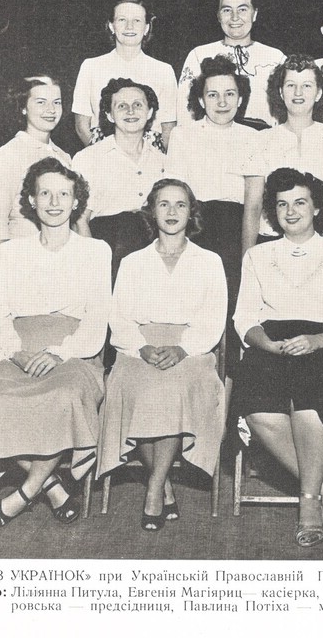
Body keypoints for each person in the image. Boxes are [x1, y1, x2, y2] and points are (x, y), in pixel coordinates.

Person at [0, 158, 111, 527]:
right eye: (44, 192)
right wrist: (15, 352)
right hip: (17, 351)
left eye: (64, 193)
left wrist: (59, 352)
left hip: (75, 351)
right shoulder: (11, 252)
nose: (54, 201)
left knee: (63, 399)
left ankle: (25, 492)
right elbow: (0, 314)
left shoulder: (97, 251)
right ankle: (53, 486)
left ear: (77, 201)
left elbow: (97, 318)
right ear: (31, 200)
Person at [231, 168, 323, 548]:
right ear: (273, 212)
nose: (291, 211)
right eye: (282, 204)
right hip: (270, 344)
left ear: (317, 207)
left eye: (300, 202)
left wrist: (318, 341)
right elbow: (244, 317)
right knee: (258, 409)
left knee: (310, 404)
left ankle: (307, 503)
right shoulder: (257, 255)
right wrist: (265, 344)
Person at [97, 179, 228, 531]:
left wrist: (183, 348)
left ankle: (153, 487)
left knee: (173, 390)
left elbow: (214, 318)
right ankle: (165, 484)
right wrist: (140, 346)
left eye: (180, 205)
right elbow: (119, 316)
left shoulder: (209, 261)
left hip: (191, 350)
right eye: (164, 204)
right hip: (138, 346)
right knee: (132, 388)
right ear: (152, 211)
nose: (172, 212)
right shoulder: (132, 262)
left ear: (192, 212)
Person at [165, 55, 265, 368]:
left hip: (239, 230)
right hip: (195, 228)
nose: (222, 102)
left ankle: (231, 405)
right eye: (212, 95)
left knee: (236, 309)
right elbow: (176, 194)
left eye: (230, 94)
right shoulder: (183, 135)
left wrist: (248, 255)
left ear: (241, 98)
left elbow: (254, 202)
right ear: (199, 99)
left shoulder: (254, 138)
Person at [242, 54, 323, 253]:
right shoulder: (260, 140)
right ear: (280, 91)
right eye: (290, 85)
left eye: (306, 85)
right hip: (272, 244)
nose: (298, 92)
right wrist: (247, 261)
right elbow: (253, 206)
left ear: (319, 93)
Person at [73, 77, 164, 283]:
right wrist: (95, 268)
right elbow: (79, 221)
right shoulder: (88, 158)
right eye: (122, 106)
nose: (131, 112)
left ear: (149, 113)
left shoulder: (164, 161)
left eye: (138, 105)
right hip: (108, 250)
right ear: (109, 115)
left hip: (153, 252)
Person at [177, 0, 285, 129]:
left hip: (264, 142)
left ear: (255, 14)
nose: (235, 17)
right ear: (218, 16)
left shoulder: (275, 57)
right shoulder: (199, 55)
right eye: (227, 10)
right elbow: (185, 111)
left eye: (242, 9)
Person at [0, 75, 71, 261]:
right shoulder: (9, 154)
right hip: (21, 256)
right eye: (41, 102)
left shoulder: (64, 158)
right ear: (23, 107)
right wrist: (2, 274)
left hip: (59, 257)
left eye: (57, 102)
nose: (51, 110)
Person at [72, 0, 177, 148]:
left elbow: (168, 128)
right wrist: (100, 155)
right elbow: (81, 125)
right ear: (111, 26)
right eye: (122, 20)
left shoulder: (163, 71)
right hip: (102, 150)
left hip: (149, 152)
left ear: (147, 27)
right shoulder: (91, 66)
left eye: (137, 21)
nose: (129, 27)